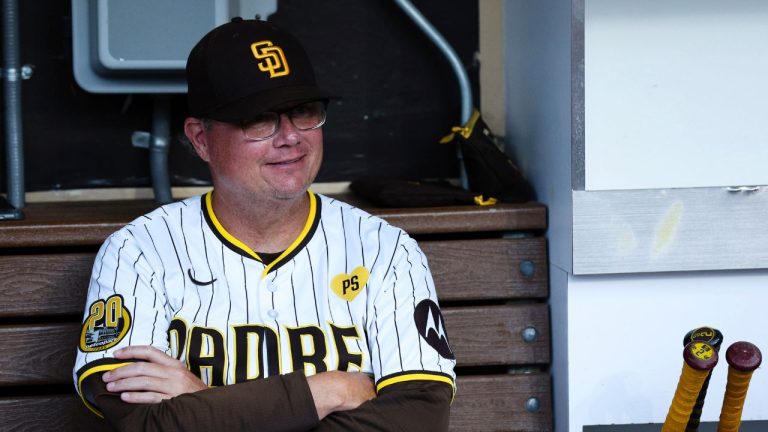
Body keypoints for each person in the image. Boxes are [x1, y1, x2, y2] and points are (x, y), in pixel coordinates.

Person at [72, 17, 456, 431]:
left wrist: (200, 400)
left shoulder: (385, 250)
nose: (290, 137)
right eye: (259, 118)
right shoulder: (138, 252)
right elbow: (142, 423)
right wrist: (331, 391)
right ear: (200, 139)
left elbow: (419, 416)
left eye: (304, 111)